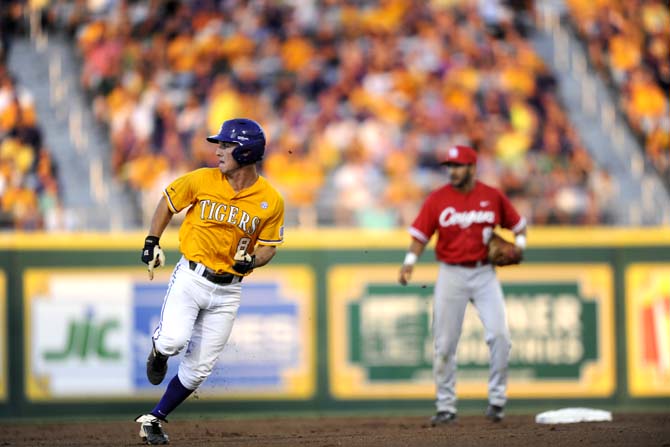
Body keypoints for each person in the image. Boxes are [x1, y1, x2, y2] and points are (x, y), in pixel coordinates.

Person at [135, 118, 285, 445]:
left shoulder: (270, 200)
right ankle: (159, 353)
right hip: (191, 277)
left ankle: (155, 418)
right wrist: (151, 241)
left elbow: (268, 247)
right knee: (172, 342)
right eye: (219, 144)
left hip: (229, 289)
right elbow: (168, 201)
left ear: (246, 152)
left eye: (226, 145)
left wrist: (252, 261)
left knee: (199, 369)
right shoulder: (203, 179)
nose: (218, 150)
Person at [398, 145, 526, 426]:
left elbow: (519, 226)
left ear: (471, 168)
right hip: (451, 274)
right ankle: (445, 407)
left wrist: (520, 248)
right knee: (444, 344)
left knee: (500, 336)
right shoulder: (438, 199)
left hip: (484, 274)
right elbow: (420, 235)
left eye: (458, 166)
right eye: (450, 166)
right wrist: (409, 262)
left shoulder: (492, 197)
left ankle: (497, 400)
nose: (453, 171)